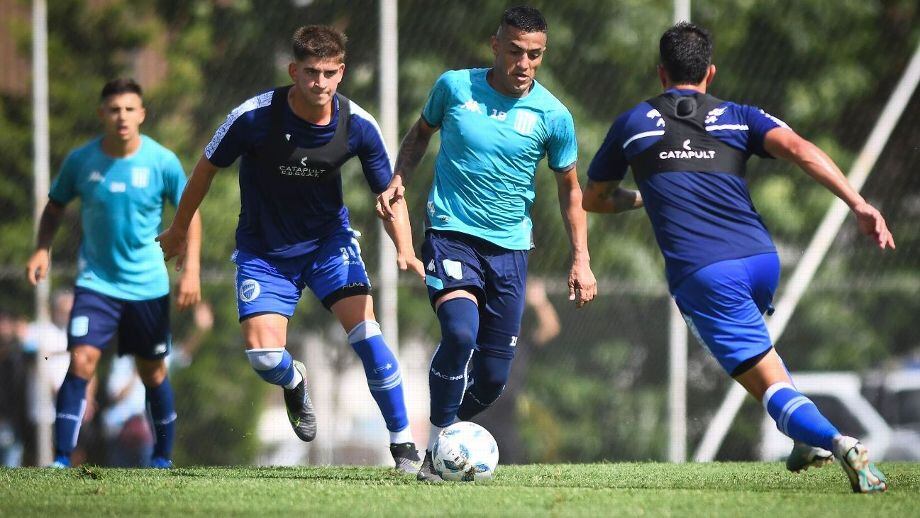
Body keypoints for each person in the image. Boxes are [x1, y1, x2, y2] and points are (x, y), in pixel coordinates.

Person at [583, 22, 894, 493]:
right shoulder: (739, 115)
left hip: (705, 274)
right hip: (761, 259)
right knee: (766, 359)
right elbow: (802, 150)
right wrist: (859, 203)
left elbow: (595, 199)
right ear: (710, 72)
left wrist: (643, 196)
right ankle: (803, 440)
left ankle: (837, 441)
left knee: (770, 386)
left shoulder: (632, 124)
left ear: (660, 74)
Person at [155, 25, 425, 473]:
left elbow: (390, 193)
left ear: (342, 72)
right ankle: (294, 380)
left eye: (329, 73)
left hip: (327, 244)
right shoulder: (253, 117)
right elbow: (204, 171)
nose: (320, 83)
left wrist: (405, 248)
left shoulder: (358, 125)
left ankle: (405, 450)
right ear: (293, 71)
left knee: (366, 332)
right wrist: (180, 229)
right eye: (311, 72)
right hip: (264, 251)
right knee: (263, 357)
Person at [376, 6, 597, 481]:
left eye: (534, 55)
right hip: (451, 234)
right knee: (459, 333)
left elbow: (570, 190)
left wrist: (581, 258)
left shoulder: (554, 116)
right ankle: (437, 441)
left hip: (511, 250)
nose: (524, 64)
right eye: (515, 51)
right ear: (495, 45)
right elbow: (419, 136)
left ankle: (448, 439)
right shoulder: (455, 87)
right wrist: (399, 178)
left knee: (495, 377)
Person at [26, 78, 202, 469]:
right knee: (82, 361)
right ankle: (60, 459)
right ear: (102, 114)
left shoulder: (161, 161)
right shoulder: (81, 161)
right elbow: (54, 207)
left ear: (141, 114)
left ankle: (161, 457)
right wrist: (41, 248)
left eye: (128, 109)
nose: (121, 116)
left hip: (148, 286)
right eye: (113, 109)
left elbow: (190, 214)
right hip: (97, 284)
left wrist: (191, 271)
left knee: (152, 372)